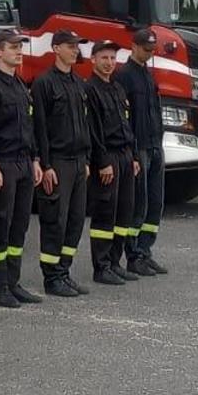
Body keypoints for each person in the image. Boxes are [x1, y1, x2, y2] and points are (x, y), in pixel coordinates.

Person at [0, 30, 44, 308]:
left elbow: (29, 126)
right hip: (3, 161)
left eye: (20, 47)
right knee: (1, 223)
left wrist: (36, 159)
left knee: (20, 225)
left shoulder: (19, 84)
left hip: (24, 162)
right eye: (12, 47)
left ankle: (14, 283)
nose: (18, 51)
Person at [31, 30, 97, 297]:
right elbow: (40, 128)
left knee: (75, 220)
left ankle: (64, 270)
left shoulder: (78, 83)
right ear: (56, 48)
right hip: (57, 162)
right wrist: (45, 165)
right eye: (70, 46)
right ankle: (51, 277)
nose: (75, 50)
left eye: (77, 46)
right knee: (54, 220)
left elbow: (85, 123)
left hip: (80, 161)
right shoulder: (44, 84)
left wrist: (89, 159)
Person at [84, 39, 141, 287]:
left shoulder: (117, 89)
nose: (109, 63)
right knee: (105, 213)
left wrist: (134, 156)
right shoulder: (90, 90)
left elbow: (127, 125)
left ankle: (115, 262)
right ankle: (102, 266)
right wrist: (102, 161)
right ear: (93, 60)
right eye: (104, 58)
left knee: (124, 211)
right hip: (107, 158)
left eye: (112, 59)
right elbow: (93, 130)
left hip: (125, 156)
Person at [112, 27, 168, 275]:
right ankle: (133, 255)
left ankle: (146, 251)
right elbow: (123, 118)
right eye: (146, 50)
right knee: (139, 204)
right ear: (134, 46)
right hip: (139, 147)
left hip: (155, 144)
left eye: (152, 50)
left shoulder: (147, 75)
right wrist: (132, 150)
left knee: (155, 202)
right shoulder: (124, 76)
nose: (149, 54)